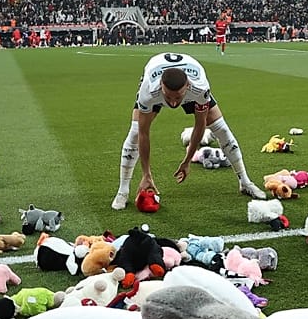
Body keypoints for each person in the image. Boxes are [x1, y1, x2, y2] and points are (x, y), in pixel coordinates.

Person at [112, 51, 267, 212]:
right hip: (156, 74)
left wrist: (187, 161)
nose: (173, 103)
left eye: (177, 98)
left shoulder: (199, 88)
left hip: (190, 85)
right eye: (169, 97)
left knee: (221, 128)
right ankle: (123, 190)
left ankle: (245, 182)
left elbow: (201, 124)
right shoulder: (149, 91)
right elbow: (144, 134)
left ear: (188, 86)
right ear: (161, 87)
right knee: (135, 131)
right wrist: (146, 174)